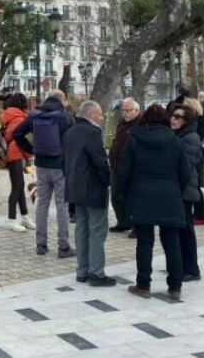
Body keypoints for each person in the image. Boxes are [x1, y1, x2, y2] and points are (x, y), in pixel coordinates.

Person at [114, 104, 190, 300]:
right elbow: (186, 174)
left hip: (141, 195)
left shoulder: (134, 139)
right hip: (170, 195)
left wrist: (122, 195)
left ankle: (143, 284)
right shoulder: (175, 141)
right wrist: (177, 192)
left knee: (144, 242)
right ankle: (175, 286)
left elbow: (123, 171)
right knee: (172, 242)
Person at [13, 89, 75, 257]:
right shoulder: (66, 117)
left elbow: (16, 133)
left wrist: (31, 150)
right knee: (62, 205)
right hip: (60, 166)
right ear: (63, 100)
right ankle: (63, 247)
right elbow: (74, 141)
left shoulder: (35, 115)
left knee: (42, 204)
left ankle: (41, 245)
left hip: (40, 164)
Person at [64, 101, 114, 286]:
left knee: (81, 229)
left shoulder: (70, 131)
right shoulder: (93, 133)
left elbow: (65, 161)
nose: (102, 118)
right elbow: (100, 162)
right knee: (97, 231)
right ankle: (96, 273)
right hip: (93, 188)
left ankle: (82, 270)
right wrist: (107, 181)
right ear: (92, 114)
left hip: (75, 187)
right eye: (100, 114)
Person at [169, 102, 202, 282]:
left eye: (178, 117)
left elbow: (185, 167)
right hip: (177, 190)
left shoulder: (190, 138)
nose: (173, 119)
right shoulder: (178, 135)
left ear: (186, 120)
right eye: (173, 116)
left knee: (186, 231)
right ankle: (182, 265)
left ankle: (191, 269)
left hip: (185, 190)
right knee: (180, 230)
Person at [0, 93, 35, 232]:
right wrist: (29, 156)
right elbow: (22, 140)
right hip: (17, 153)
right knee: (17, 187)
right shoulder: (19, 118)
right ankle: (11, 219)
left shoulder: (8, 115)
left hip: (12, 153)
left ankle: (25, 217)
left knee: (19, 187)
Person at [108, 98, 140, 234]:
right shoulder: (122, 123)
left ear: (136, 111)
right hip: (117, 167)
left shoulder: (140, 124)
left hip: (132, 169)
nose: (125, 113)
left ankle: (137, 226)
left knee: (132, 198)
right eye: (123, 110)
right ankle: (123, 222)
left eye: (128, 110)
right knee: (116, 196)